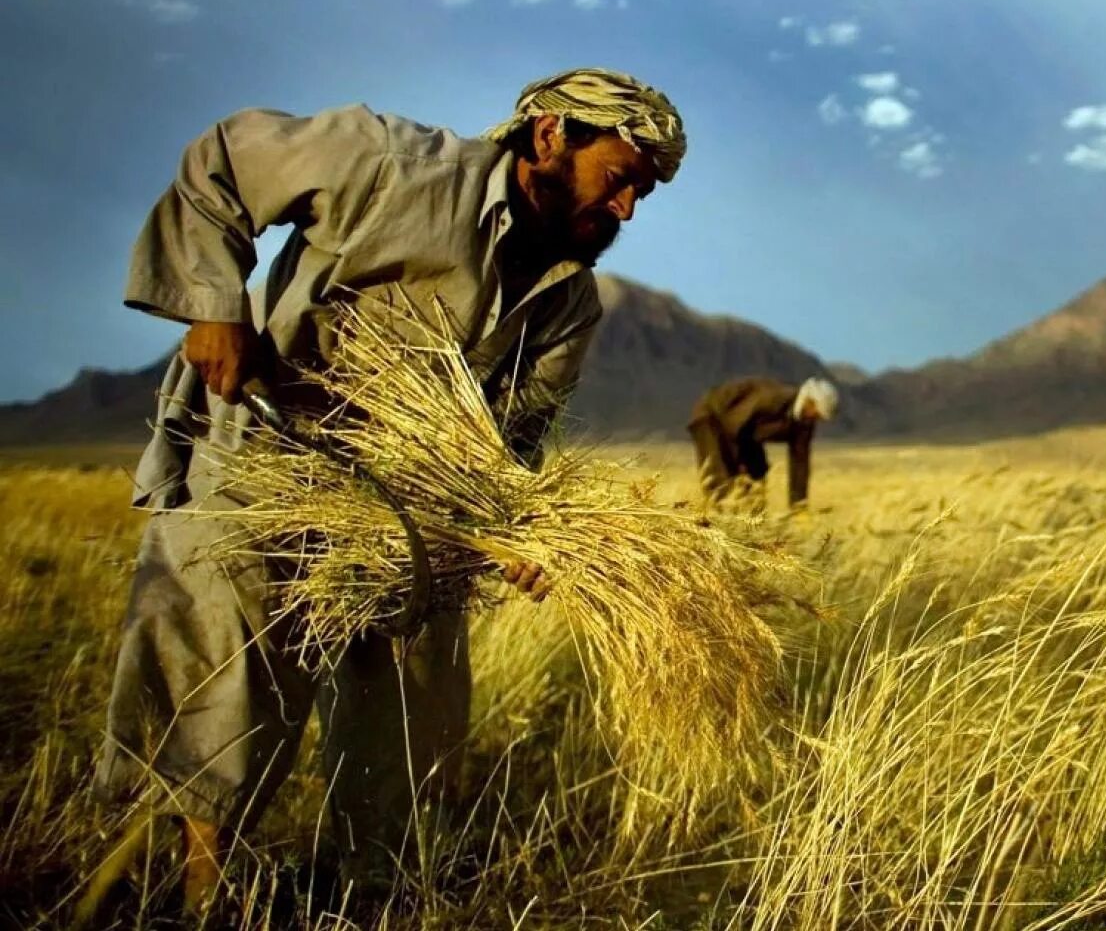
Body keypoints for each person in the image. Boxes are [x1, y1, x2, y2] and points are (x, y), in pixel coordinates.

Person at [86, 68, 686, 914]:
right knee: (222, 685)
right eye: (619, 181)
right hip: (265, 461)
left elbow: (510, 442)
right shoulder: (391, 165)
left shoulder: (567, 302)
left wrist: (517, 533)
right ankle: (197, 894)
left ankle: (359, 894)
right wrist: (215, 308)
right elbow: (222, 160)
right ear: (551, 136)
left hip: (412, 513)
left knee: (413, 717)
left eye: (642, 196)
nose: (626, 211)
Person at [688, 376, 838, 511]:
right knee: (720, 477)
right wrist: (739, 464)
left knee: (757, 474)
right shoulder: (773, 398)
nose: (816, 419)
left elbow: (800, 463)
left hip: (746, 434)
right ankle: (717, 525)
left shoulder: (805, 423)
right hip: (713, 417)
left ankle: (750, 525)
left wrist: (798, 507)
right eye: (817, 414)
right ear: (809, 401)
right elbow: (733, 424)